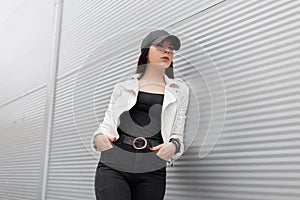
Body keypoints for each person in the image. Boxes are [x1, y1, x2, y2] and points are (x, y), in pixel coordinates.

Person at [91, 29, 189, 200]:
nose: (167, 51)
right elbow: (107, 123)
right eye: (160, 46)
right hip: (115, 161)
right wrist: (98, 138)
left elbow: (178, 132)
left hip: (153, 166)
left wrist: (173, 147)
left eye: (171, 48)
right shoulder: (123, 86)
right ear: (146, 52)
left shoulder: (179, 90)